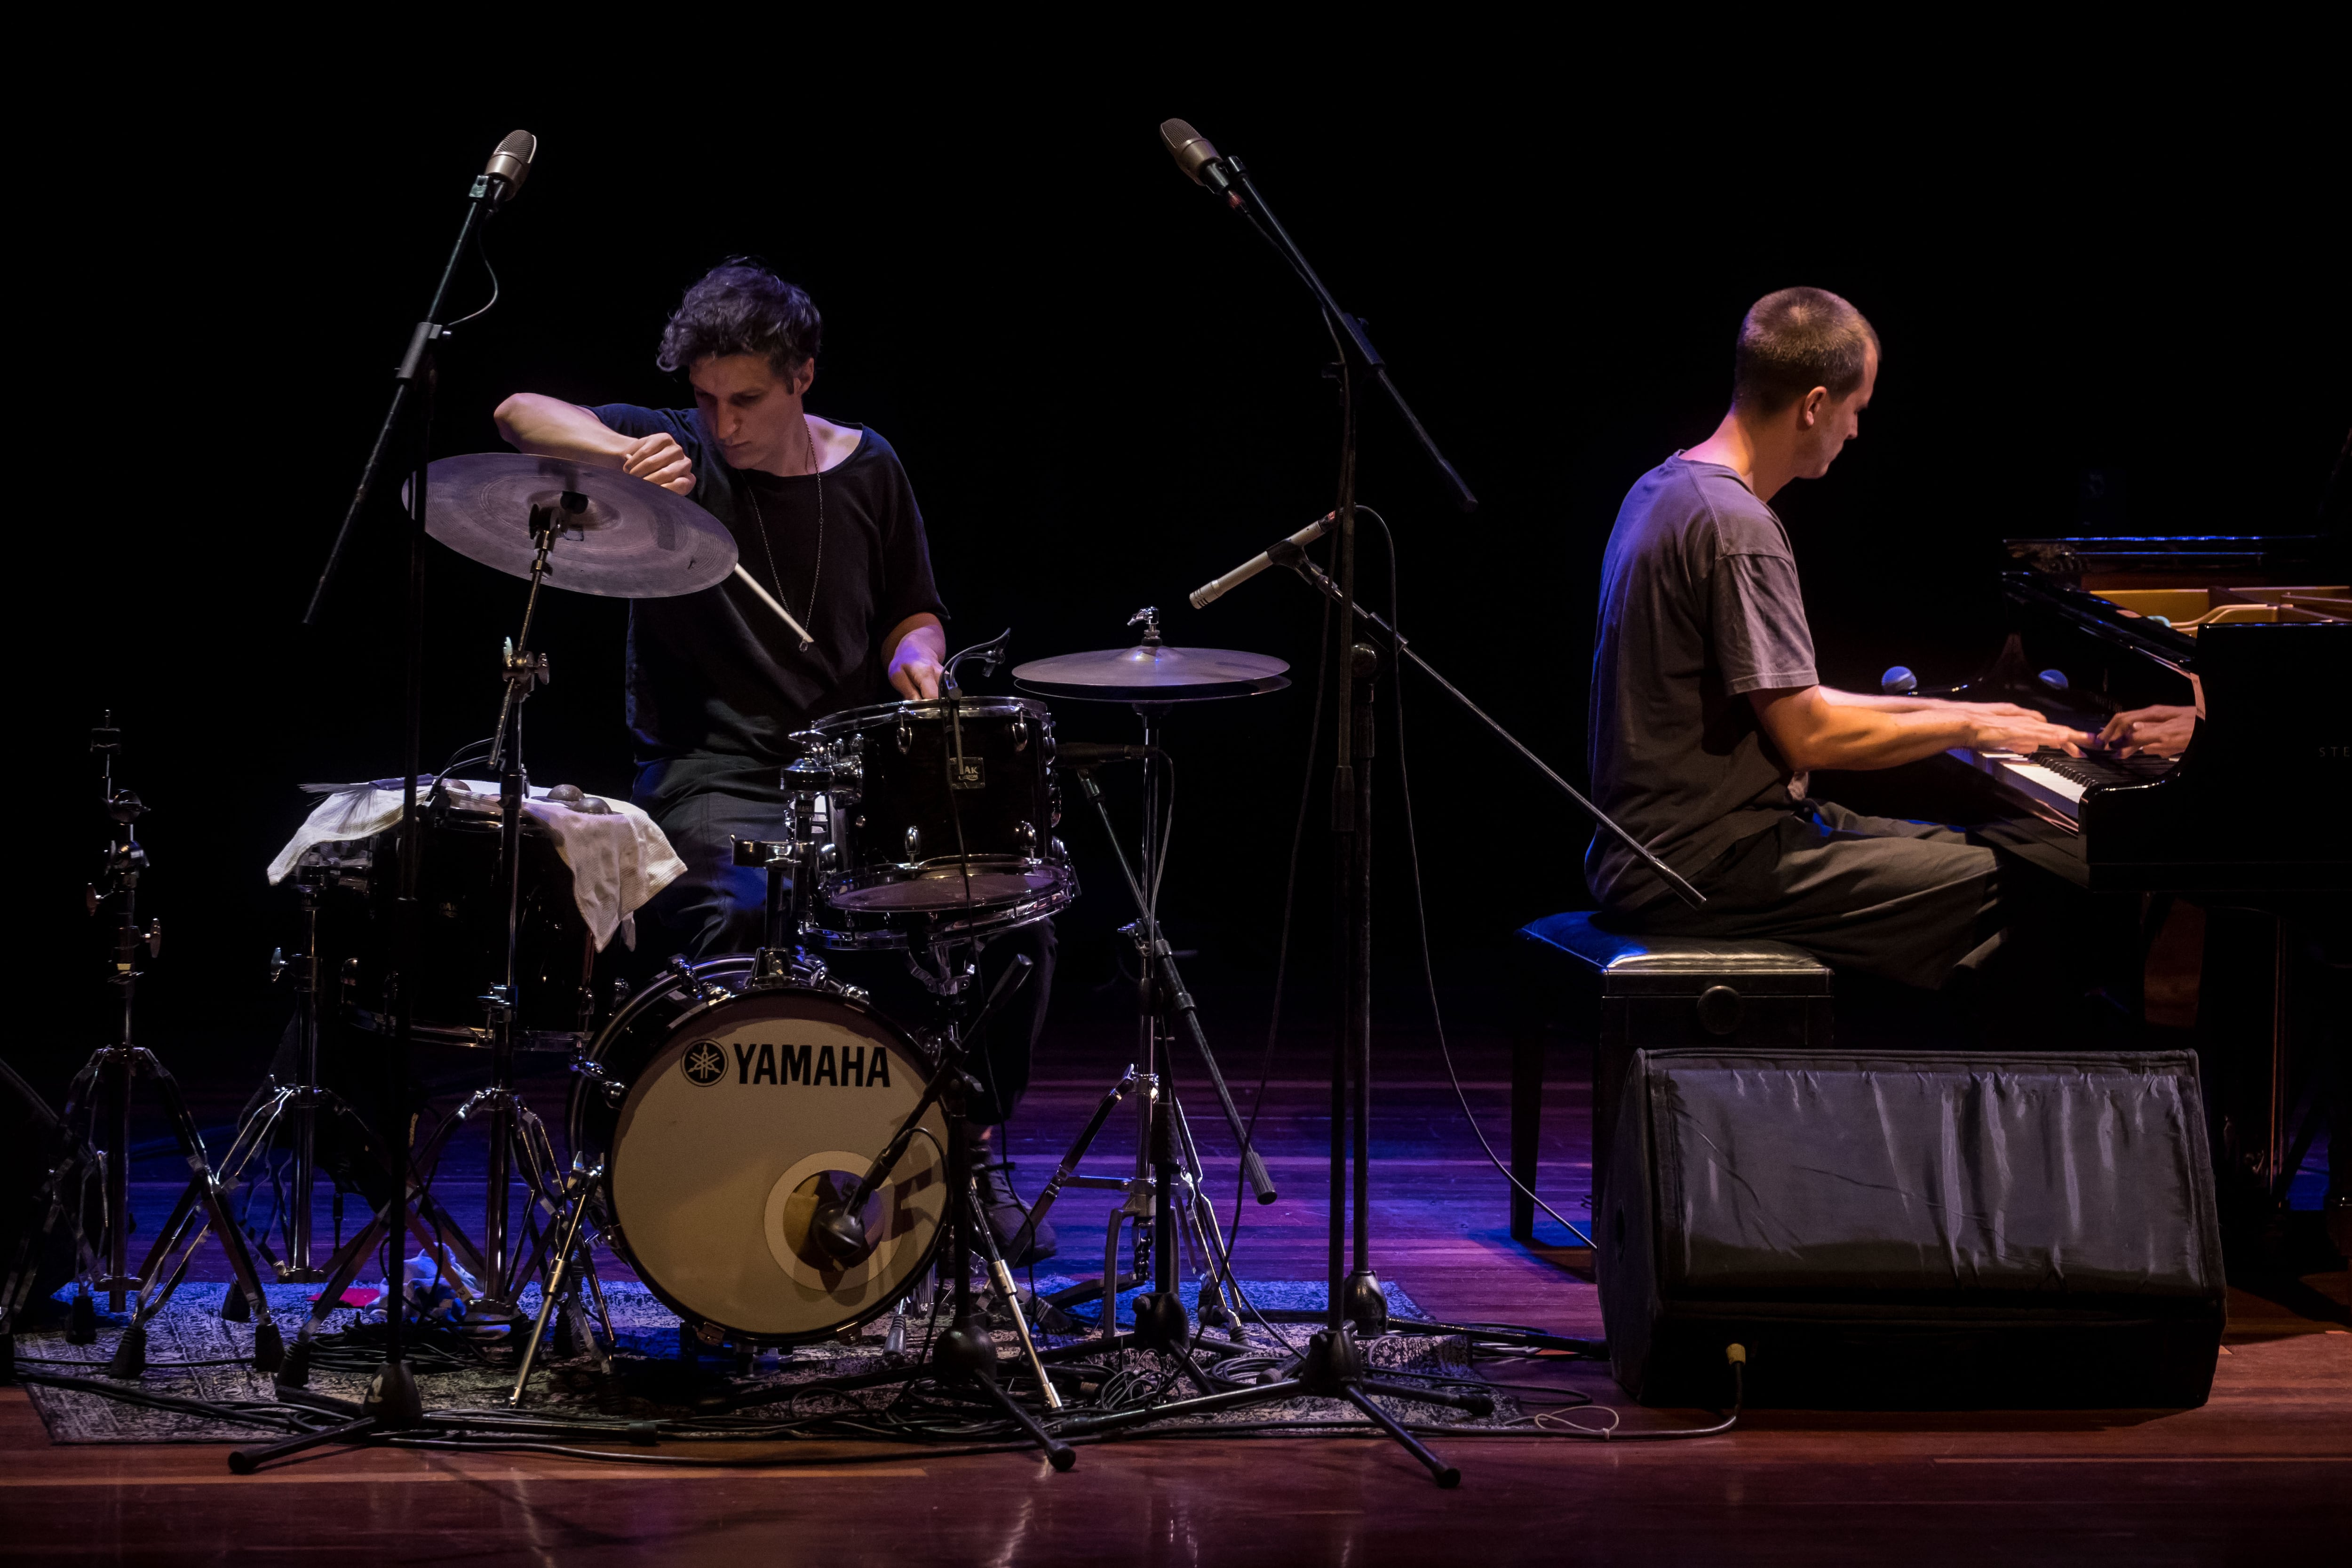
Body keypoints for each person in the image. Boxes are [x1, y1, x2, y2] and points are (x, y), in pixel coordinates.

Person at [493, 261, 1055, 1261]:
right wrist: (620, 453)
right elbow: (517, 411)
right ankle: (721, 1153)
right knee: (743, 911)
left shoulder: (871, 465)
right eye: (707, 399)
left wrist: (917, 655)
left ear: (803, 375)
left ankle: (962, 1145)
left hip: (847, 773)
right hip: (711, 771)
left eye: (746, 399)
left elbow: (910, 609)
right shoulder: (676, 448)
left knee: (1006, 924)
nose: (724, 423)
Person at [1584, 287, 2095, 997]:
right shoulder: (1741, 530)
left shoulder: (1662, 489)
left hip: (1674, 848)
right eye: (1856, 410)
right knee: (2021, 884)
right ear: (1815, 404)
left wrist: (1969, 717)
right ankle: (1953, 1098)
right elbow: (1809, 736)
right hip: (1705, 865)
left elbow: (1796, 697)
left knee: (1994, 851)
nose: (1855, 432)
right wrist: (1971, 723)